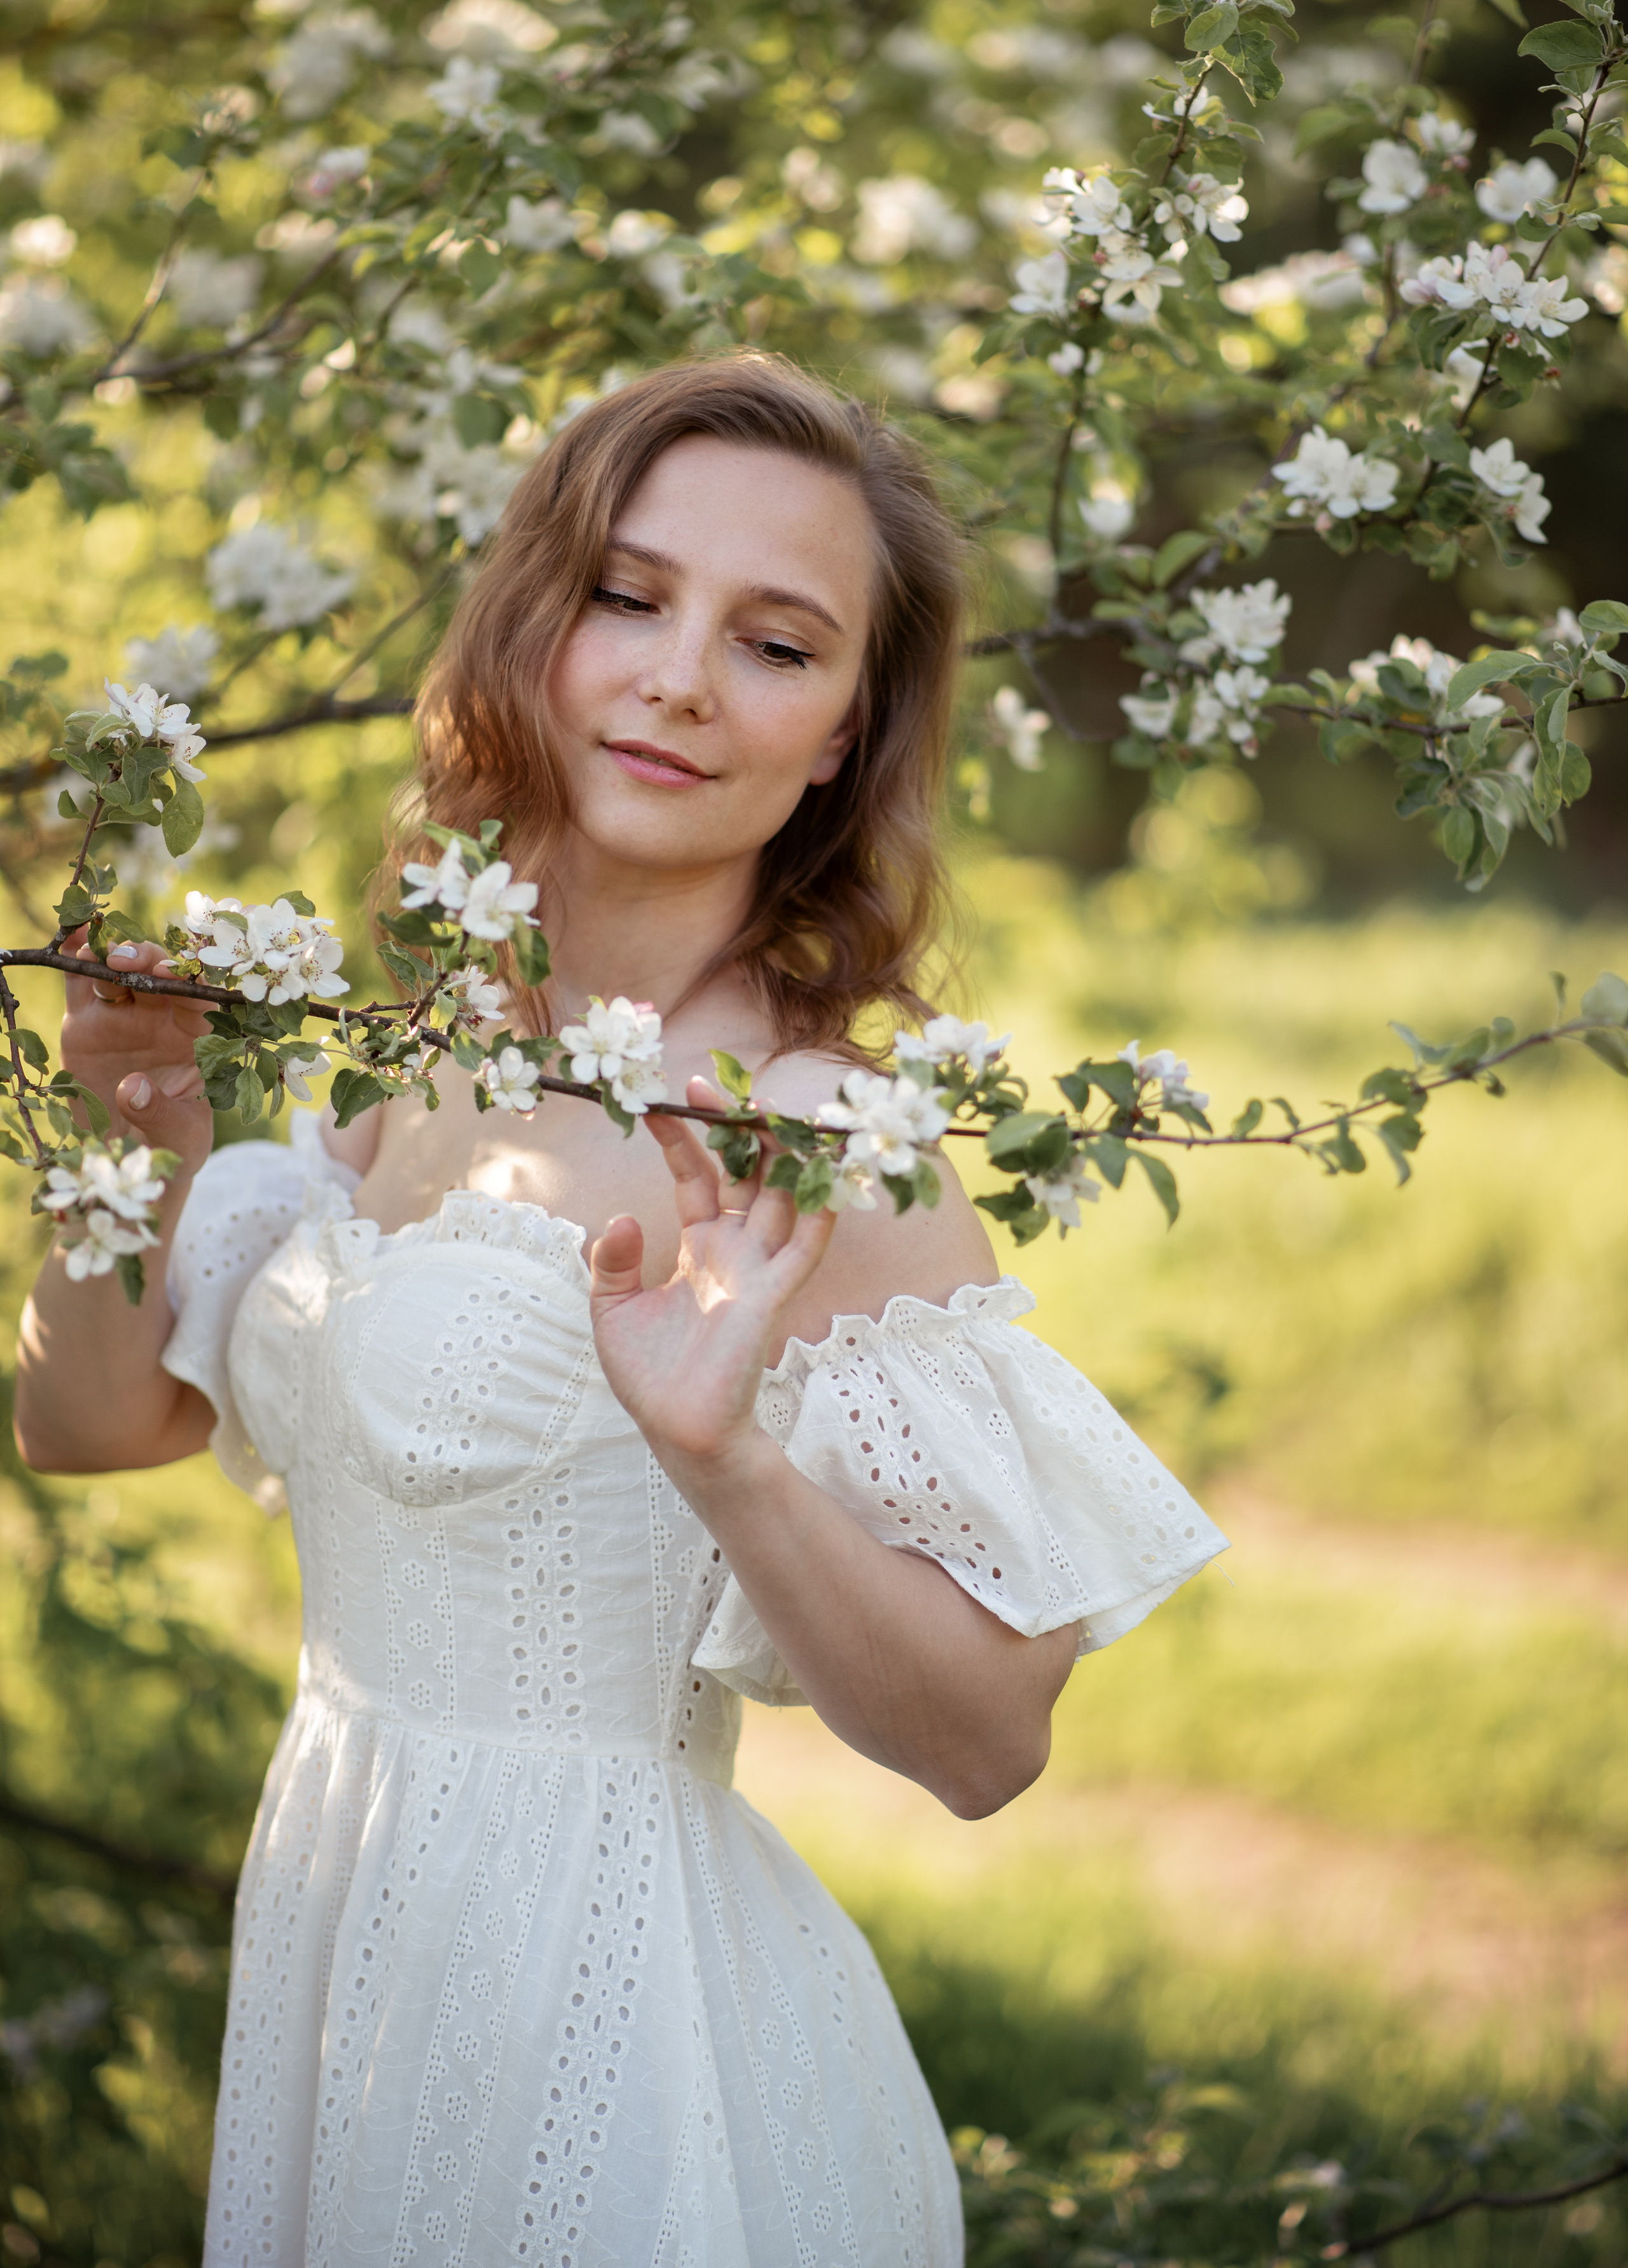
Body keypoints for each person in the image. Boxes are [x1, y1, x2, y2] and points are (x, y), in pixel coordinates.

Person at [15, 353, 1228, 2267]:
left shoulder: (822, 1149)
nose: (676, 677)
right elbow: (87, 1425)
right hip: (356, 1957)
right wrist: (133, 1118)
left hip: (616, 2025)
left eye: (776, 643)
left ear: (840, 733)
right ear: (536, 623)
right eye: (629, 595)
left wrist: (722, 1450)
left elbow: (992, 1741)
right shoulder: (426, 1051)